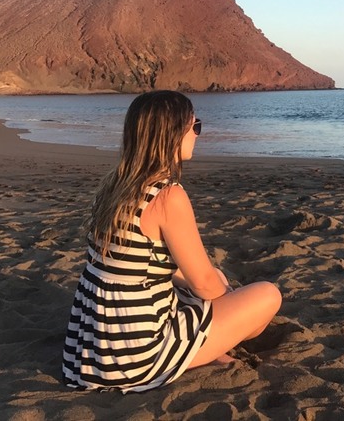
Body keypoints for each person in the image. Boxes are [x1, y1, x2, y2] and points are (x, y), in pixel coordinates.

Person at [62, 90, 282, 391]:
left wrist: (214, 289)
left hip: (92, 351)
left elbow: (138, 264)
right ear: (172, 133)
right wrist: (228, 297)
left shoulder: (115, 185)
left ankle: (209, 345)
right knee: (267, 295)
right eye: (196, 126)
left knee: (208, 283)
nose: (197, 134)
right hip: (135, 356)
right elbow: (204, 283)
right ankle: (206, 349)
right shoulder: (167, 195)